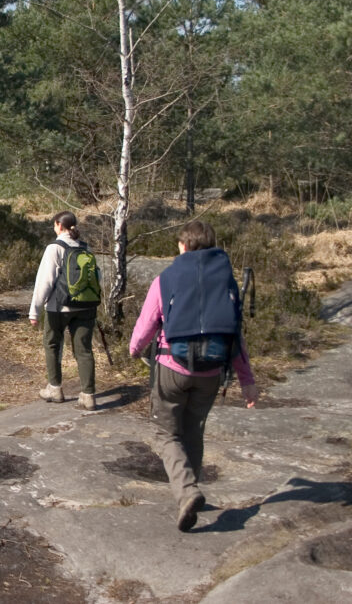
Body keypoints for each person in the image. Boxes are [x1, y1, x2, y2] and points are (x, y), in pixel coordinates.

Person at [129, 220, 258, 532]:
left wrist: (134, 350)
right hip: (212, 370)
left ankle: (187, 492)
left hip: (172, 367)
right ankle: (190, 489)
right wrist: (247, 381)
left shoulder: (167, 278)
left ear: (183, 246)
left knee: (164, 434)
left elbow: (147, 323)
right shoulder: (224, 280)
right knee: (193, 431)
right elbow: (234, 333)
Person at [29, 211, 98, 410]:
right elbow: (95, 278)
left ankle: (55, 388)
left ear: (59, 225)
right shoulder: (86, 248)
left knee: (52, 343)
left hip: (59, 307)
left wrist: (34, 311)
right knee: (84, 349)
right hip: (86, 305)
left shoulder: (55, 248)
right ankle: (88, 395)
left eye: (54, 225)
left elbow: (45, 281)